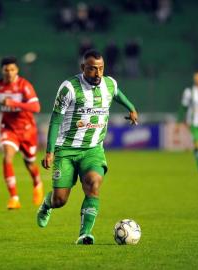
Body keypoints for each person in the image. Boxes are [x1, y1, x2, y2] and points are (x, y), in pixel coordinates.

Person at [37, 49, 138, 244]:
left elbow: (118, 95)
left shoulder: (109, 83)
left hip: (93, 149)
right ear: (83, 67)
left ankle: (85, 234)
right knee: (60, 200)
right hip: (65, 150)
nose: (98, 73)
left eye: (101, 69)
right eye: (92, 69)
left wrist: (131, 108)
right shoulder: (69, 88)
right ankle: (46, 205)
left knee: (93, 183)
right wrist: (49, 151)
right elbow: (55, 120)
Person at [0, 56, 43, 210]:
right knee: (7, 157)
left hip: (27, 129)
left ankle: (37, 183)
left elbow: (36, 107)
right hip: (8, 128)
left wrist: (14, 103)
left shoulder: (24, 85)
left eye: (12, 69)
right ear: (2, 71)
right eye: (6, 70)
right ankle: (14, 198)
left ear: (17, 70)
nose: (9, 73)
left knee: (29, 163)